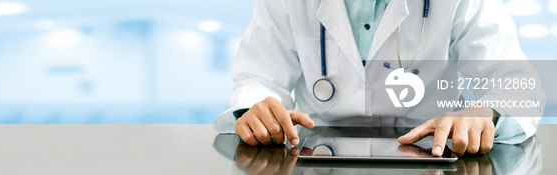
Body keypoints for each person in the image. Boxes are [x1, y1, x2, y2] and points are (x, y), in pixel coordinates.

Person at [214, 0, 545, 157]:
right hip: (317, 157)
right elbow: (258, 76)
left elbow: (517, 84)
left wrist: (486, 113)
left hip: (434, 155)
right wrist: (254, 108)